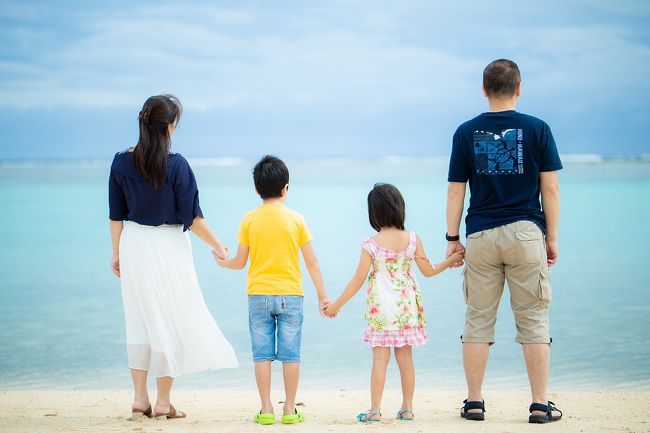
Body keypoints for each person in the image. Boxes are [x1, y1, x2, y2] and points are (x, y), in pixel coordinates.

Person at [445, 59, 563, 423]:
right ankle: (540, 405)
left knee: (478, 320)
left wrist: (452, 238)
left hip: (481, 234)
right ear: (519, 88)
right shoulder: (538, 129)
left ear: (484, 90)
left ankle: (475, 402)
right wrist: (551, 239)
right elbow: (551, 190)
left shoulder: (465, 132)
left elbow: (455, 192)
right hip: (527, 232)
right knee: (533, 320)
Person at [109, 94, 238, 421]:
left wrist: (116, 253)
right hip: (168, 245)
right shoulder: (177, 164)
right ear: (169, 126)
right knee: (168, 318)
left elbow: (116, 215)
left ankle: (140, 399)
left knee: (138, 320)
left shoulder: (121, 161)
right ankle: (164, 402)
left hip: (133, 243)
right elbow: (192, 218)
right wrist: (220, 246)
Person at [323, 183, 463, 423]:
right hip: (406, 307)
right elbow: (428, 271)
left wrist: (336, 305)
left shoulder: (371, 243)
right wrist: (450, 260)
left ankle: (375, 410)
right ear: (400, 208)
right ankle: (407, 408)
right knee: (405, 359)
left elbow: (358, 279)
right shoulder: (413, 239)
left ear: (373, 213)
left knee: (379, 360)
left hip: (381, 309)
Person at [213, 155, 329, 425]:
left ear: (256, 189)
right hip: (291, 295)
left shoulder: (249, 220)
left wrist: (222, 262)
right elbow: (311, 261)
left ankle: (266, 409)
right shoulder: (296, 219)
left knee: (262, 355)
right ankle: (289, 409)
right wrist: (323, 296)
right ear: (285, 188)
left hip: (258, 296)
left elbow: (240, 262)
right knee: (291, 355)